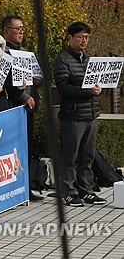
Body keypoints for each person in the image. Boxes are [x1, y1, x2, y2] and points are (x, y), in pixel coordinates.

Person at [53, 22, 106, 207]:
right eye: (80, 37)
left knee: (87, 156)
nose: (84, 40)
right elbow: (64, 88)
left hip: (90, 115)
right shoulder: (63, 60)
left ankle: (86, 190)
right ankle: (69, 191)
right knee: (70, 156)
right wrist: (88, 91)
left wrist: (98, 90)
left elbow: (96, 87)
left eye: (86, 37)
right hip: (73, 117)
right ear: (70, 38)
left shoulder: (90, 60)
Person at [1, 15, 43, 201]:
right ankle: (13, 188)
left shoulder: (27, 53)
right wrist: (24, 96)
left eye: (22, 28)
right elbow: (6, 83)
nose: (20, 32)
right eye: (17, 28)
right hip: (14, 106)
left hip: (30, 108)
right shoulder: (3, 53)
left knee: (27, 148)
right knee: (13, 149)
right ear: (6, 31)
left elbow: (38, 78)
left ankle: (25, 187)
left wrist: (37, 80)